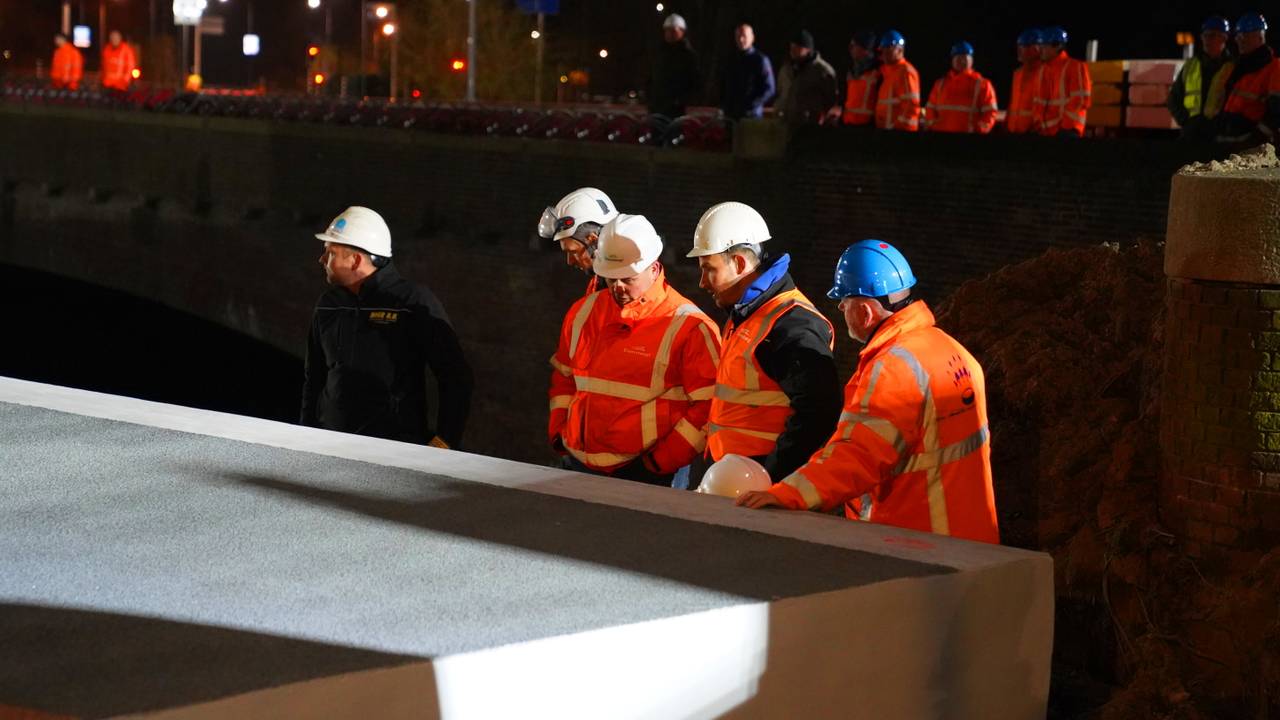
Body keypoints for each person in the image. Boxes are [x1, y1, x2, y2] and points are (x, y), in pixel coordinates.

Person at [736, 240, 998, 545]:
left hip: (921, 545)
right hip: (975, 540)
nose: (840, 309)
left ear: (864, 312)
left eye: (844, 303)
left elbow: (856, 456)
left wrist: (787, 492)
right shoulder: (955, 352)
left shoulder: (892, 369)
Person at [549, 214, 720, 488]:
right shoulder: (583, 311)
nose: (617, 287)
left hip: (650, 474)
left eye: (627, 278)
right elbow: (564, 378)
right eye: (610, 277)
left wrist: (661, 462)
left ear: (654, 268)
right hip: (579, 462)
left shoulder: (689, 326)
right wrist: (560, 433)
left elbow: (709, 407)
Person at [687, 201, 841, 484]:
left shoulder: (791, 323)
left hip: (757, 487)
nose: (702, 283)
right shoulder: (750, 313)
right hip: (734, 480)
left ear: (740, 263)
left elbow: (819, 413)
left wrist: (769, 476)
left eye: (709, 269)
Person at [301, 206, 474, 449]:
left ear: (356, 260)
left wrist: (445, 439)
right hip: (330, 445)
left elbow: (456, 376)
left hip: (394, 449)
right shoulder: (329, 305)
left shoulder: (412, 303)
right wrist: (305, 432)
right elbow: (314, 377)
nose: (321, 259)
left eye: (330, 253)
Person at [538, 187, 619, 295]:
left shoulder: (629, 291)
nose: (570, 261)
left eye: (573, 252)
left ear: (594, 239)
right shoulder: (599, 283)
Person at [1216, 13, 1280, 143]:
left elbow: (1277, 110)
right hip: (1227, 138)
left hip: (1250, 143)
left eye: (1242, 35)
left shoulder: (1274, 66)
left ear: (1259, 36)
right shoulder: (1239, 66)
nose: (1238, 40)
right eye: (1237, 36)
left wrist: (1257, 137)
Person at [1168, 17, 1234, 141]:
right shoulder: (1191, 65)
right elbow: (1173, 98)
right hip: (1191, 133)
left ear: (1224, 38)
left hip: (1219, 136)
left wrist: (1221, 124)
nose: (1208, 39)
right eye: (1206, 35)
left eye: (1213, 35)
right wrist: (1185, 120)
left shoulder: (1232, 67)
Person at [923, 41, 998, 133]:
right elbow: (930, 108)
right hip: (941, 137)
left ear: (972, 60)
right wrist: (933, 125)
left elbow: (990, 112)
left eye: (965, 58)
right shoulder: (940, 84)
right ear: (952, 60)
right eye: (958, 58)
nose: (961, 61)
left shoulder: (982, 84)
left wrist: (979, 130)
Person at [1032, 26, 1091, 137]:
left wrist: (1066, 127)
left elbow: (1081, 100)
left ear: (1057, 46)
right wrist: (1039, 125)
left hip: (1067, 131)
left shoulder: (1075, 67)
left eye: (1044, 45)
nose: (1040, 50)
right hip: (1046, 131)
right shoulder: (1042, 71)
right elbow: (1038, 102)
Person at [775, 30, 839, 124]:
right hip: (785, 123)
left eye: (797, 47)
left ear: (808, 49)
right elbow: (780, 91)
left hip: (809, 126)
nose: (792, 51)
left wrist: (815, 115)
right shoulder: (786, 69)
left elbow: (831, 99)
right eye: (791, 47)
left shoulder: (823, 71)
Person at [649, 13, 701, 119]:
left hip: (677, 110)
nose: (669, 33)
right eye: (667, 30)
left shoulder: (688, 56)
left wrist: (681, 101)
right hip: (657, 107)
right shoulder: (659, 53)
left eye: (673, 30)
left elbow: (695, 81)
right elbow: (651, 76)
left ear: (682, 31)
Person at [721, 23, 776, 121]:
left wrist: (751, 105)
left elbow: (769, 88)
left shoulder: (760, 60)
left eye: (744, 36)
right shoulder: (731, 59)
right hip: (731, 115)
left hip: (751, 116)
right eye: (738, 36)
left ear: (752, 38)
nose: (741, 39)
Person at [829, 30, 880, 126]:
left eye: (854, 45)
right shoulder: (851, 71)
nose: (850, 49)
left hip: (867, 128)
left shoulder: (878, 72)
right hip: (848, 125)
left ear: (865, 49)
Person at [875, 30, 921, 131]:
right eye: (882, 50)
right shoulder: (888, 73)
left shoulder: (905, 71)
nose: (884, 54)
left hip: (900, 133)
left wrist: (897, 129)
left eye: (888, 49)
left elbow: (911, 106)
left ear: (899, 50)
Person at [1007, 28, 1043, 133]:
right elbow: (1013, 102)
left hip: (1034, 132)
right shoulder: (1017, 74)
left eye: (1025, 46)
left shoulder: (1045, 73)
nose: (1019, 50)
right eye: (1019, 46)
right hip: (1014, 130)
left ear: (1038, 48)